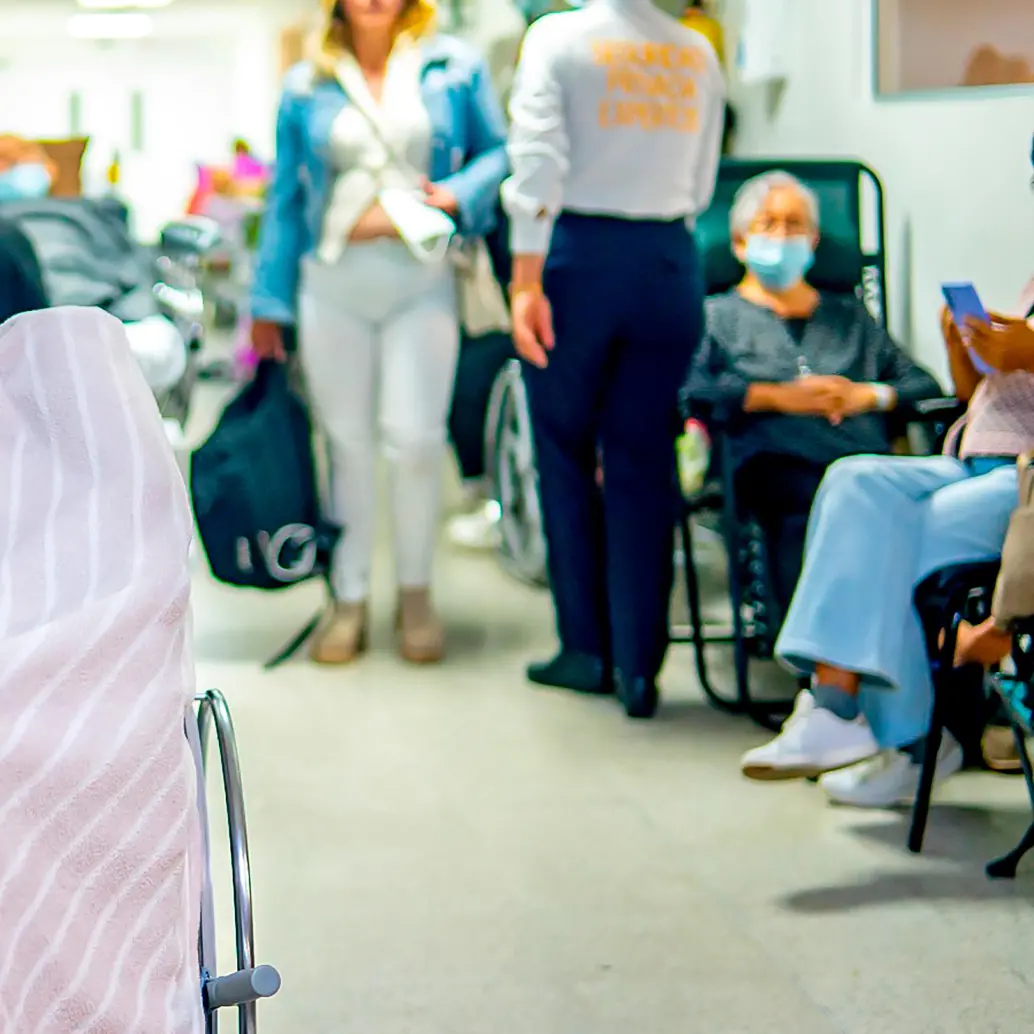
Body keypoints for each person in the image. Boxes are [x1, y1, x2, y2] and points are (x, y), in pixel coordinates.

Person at [250, 0, 508, 666]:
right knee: (346, 445)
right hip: (330, 283)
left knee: (417, 442)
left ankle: (417, 595)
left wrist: (459, 193)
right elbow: (284, 196)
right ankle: (350, 598)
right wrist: (267, 297)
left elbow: (501, 154)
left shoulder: (452, 65)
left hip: (420, 280)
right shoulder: (307, 79)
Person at [740, 244, 1034, 807]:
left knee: (891, 536)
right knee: (854, 483)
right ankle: (836, 709)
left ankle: (909, 740)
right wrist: (962, 351)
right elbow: (980, 401)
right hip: (973, 460)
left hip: (1026, 485)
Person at [503, 0, 726, 718]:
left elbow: (537, 164)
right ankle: (640, 667)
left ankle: (585, 650)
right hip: (667, 263)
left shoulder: (557, 38)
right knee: (644, 463)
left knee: (564, 452)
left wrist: (525, 280)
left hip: (578, 263)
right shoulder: (696, 51)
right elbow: (701, 184)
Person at [683, 170, 941, 622]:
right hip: (775, 463)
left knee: (916, 503)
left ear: (814, 240)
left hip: (863, 461)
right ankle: (818, 657)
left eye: (795, 224)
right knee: (811, 502)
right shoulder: (716, 317)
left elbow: (921, 385)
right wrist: (777, 397)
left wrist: (867, 397)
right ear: (740, 243)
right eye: (768, 224)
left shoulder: (849, 316)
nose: (783, 235)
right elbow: (691, 389)